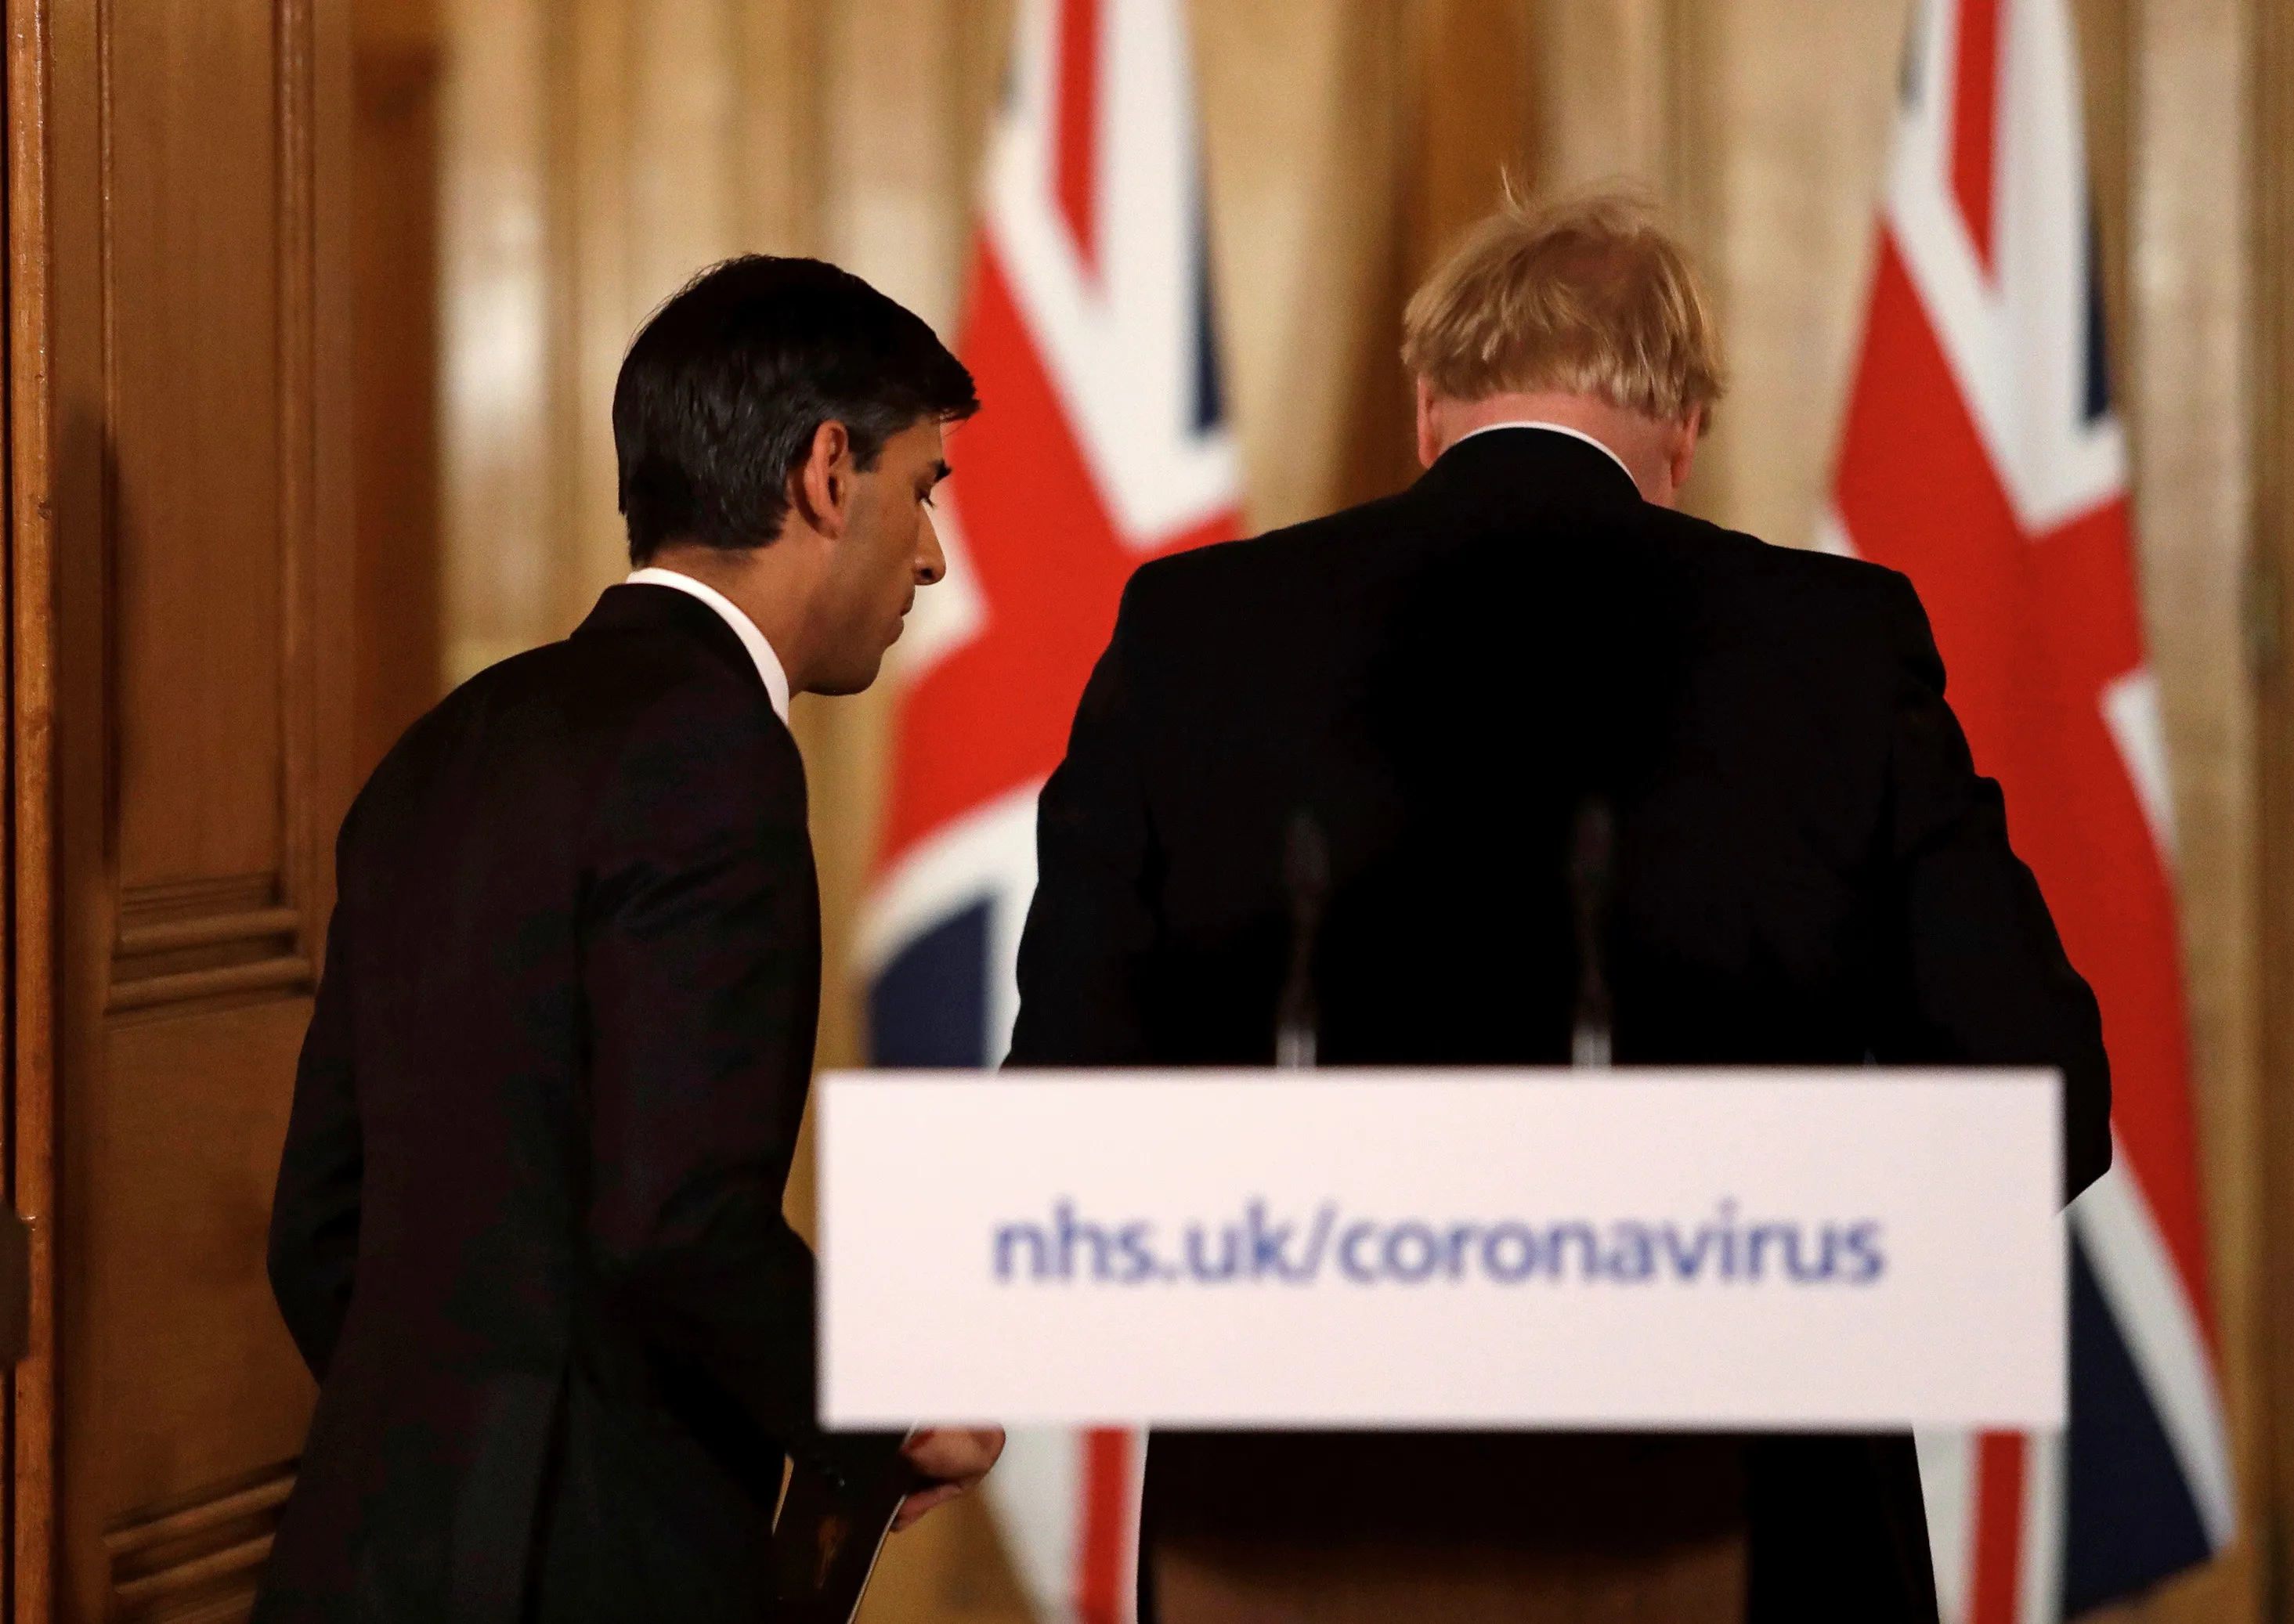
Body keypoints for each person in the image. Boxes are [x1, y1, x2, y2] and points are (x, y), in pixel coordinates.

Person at [1006, 193, 2112, 1622]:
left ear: (1428, 409)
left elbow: (1065, 1107)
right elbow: (2040, 1098)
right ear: (1684, 428)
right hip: (1756, 1517)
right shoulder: (1836, 644)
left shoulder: (1193, 630)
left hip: (1299, 1528)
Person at [259, 256, 1003, 1624]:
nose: (932, 554)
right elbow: (676, 1225)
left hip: (364, 1554)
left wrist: (447, 1459)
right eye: (924, 488)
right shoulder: (714, 753)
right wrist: (890, 1401)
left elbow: (317, 1231)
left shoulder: (447, 743)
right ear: (827, 473)